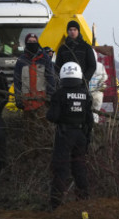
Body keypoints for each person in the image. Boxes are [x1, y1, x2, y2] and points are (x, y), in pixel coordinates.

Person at [47, 62, 94, 210]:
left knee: (61, 169)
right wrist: (86, 139)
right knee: (79, 167)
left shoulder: (59, 94)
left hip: (64, 134)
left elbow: (52, 117)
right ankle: (83, 202)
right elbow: (90, 120)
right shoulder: (86, 95)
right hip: (80, 135)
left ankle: (56, 205)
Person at [13, 33, 56, 117]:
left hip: (42, 102)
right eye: (29, 41)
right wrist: (18, 99)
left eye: (34, 41)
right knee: (28, 128)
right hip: (26, 103)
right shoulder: (21, 60)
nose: (32, 43)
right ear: (26, 43)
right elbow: (17, 81)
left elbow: (51, 78)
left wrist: (50, 96)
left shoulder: (44, 58)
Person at [88, 50, 108, 123]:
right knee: (95, 112)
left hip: (87, 92)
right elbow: (105, 77)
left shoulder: (84, 65)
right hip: (98, 93)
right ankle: (94, 125)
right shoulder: (100, 66)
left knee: (87, 111)